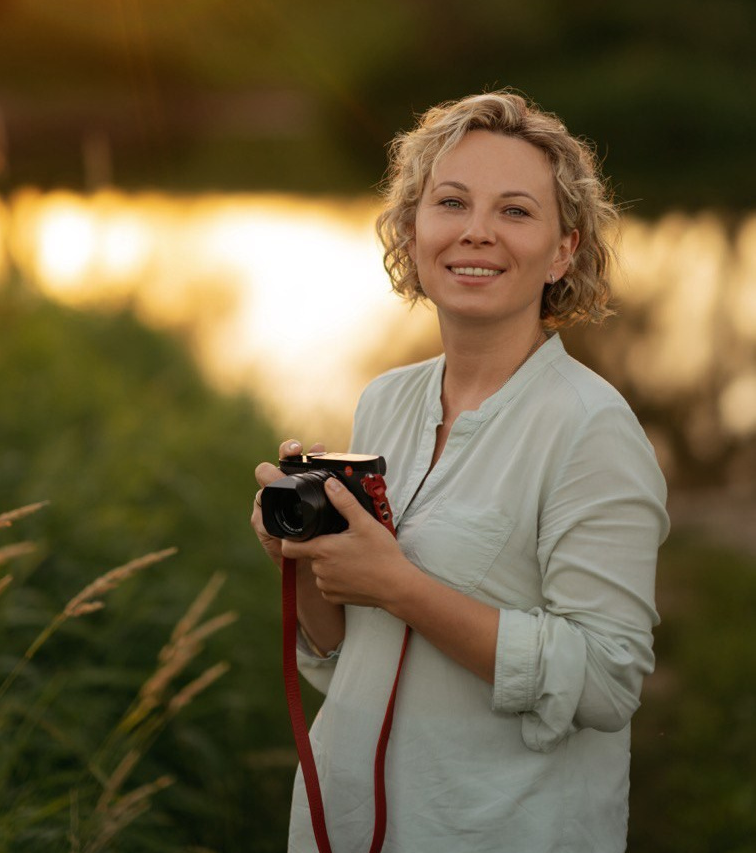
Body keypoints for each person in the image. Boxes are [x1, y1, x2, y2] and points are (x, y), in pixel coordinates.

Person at [251, 90, 669, 853]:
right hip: (340, 825)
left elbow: (607, 682)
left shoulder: (590, 429)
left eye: (515, 211)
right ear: (412, 232)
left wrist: (398, 584)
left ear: (563, 250)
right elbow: (347, 654)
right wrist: (307, 562)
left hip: (496, 829)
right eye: (450, 202)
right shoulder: (385, 400)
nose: (476, 230)